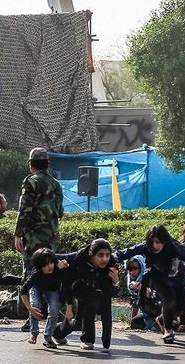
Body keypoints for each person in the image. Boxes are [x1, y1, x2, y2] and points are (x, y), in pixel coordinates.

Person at [115, 225, 185, 344]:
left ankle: (161, 320)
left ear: (165, 241)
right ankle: (168, 330)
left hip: (177, 278)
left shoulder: (175, 248)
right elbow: (125, 253)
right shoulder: (146, 247)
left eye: (158, 242)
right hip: (158, 277)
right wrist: (111, 258)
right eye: (152, 242)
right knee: (169, 300)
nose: (155, 246)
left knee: (179, 307)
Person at [13, 147, 63, 332]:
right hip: (52, 237)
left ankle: (31, 317)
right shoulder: (56, 184)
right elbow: (60, 212)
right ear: (47, 164)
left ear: (31, 164)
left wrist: (18, 234)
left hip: (33, 238)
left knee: (31, 275)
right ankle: (51, 316)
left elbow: (24, 211)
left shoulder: (31, 182)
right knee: (50, 274)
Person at [57, 239, 120, 350]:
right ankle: (88, 340)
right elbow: (53, 257)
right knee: (92, 302)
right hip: (78, 287)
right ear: (92, 256)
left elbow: (112, 293)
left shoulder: (111, 264)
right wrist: (69, 307)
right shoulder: (79, 257)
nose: (104, 259)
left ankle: (56, 332)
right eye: (100, 255)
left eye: (107, 255)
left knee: (78, 323)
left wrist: (116, 281)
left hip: (98, 291)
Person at [19, 248, 70, 348]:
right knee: (35, 306)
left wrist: (66, 265)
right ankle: (34, 333)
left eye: (51, 263)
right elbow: (23, 291)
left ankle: (48, 335)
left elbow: (72, 264)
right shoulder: (36, 275)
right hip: (37, 287)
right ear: (39, 267)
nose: (49, 267)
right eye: (45, 265)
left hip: (52, 289)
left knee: (54, 310)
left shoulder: (58, 268)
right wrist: (30, 309)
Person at [124, 255, 161, 331]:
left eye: (135, 268)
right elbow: (135, 303)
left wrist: (142, 288)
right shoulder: (133, 283)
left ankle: (163, 324)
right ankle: (152, 325)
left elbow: (153, 297)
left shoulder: (149, 278)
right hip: (146, 314)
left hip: (158, 309)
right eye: (129, 269)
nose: (132, 272)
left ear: (141, 267)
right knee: (134, 323)